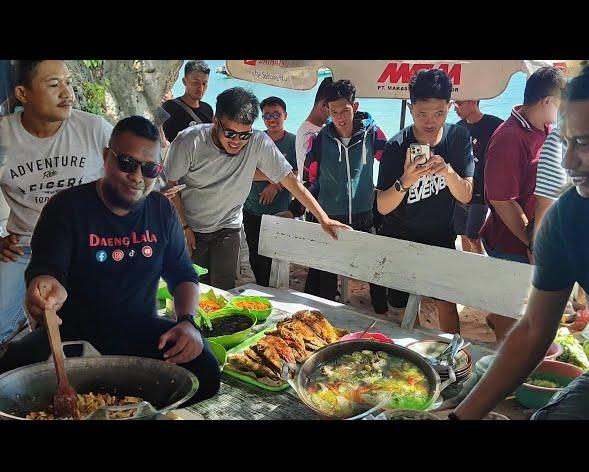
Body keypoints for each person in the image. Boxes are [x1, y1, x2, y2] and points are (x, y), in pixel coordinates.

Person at [452, 61, 589, 420]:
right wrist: (461, 417)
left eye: (583, 143)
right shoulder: (568, 219)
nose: (568, 162)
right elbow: (535, 330)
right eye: (565, 142)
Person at [0, 116, 221, 404]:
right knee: (7, 373)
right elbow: (46, 271)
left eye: (150, 168)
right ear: (107, 157)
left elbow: (183, 275)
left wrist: (188, 322)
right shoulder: (67, 207)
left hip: (138, 328)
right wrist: (45, 288)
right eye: (127, 163)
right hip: (71, 334)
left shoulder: (161, 211)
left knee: (205, 368)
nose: (137, 176)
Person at [164, 86, 349, 290]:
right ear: (216, 122)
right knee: (191, 288)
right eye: (230, 133)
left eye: (245, 135)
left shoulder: (258, 141)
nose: (237, 142)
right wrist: (184, 227)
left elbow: (290, 181)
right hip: (190, 226)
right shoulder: (190, 141)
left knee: (223, 289)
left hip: (228, 227)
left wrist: (323, 218)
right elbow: (168, 185)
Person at [0, 60, 112, 346]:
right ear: (23, 94)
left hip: (88, 248)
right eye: (53, 85)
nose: (68, 93)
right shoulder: (4, 136)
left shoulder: (94, 129)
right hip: (24, 249)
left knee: (96, 326)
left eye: (69, 82)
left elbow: (134, 177)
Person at [376, 69, 474, 333]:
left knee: (446, 302)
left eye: (439, 113)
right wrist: (405, 181)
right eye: (422, 114)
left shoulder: (458, 138)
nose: (430, 121)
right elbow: (383, 206)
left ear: (450, 107)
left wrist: (447, 171)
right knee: (404, 308)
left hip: (441, 236)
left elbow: (465, 194)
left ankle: (452, 358)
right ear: (410, 108)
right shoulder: (397, 147)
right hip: (401, 237)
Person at [480, 66, 566, 342]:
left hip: (532, 236)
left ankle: (496, 319)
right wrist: (531, 244)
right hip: (510, 241)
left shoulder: (545, 129)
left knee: (524, 304)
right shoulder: (509, 137)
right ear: (547, 102)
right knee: (511, 320)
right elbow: (501, 200)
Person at [302, 79, 388, 312]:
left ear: (356, 107)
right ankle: (326, 315)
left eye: (345, 111)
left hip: (365, 214)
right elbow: (311, 177)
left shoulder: (372, 133)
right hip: (332, 216)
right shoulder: (320, 139)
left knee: (372, 269)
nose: (340, 117)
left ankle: (381, 310)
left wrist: (385, 195)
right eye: (334, 112)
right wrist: (308, 209)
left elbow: (389, 162)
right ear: (327, 110)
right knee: (327, 275)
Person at [243, 96, 297, 286]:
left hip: (279, 211)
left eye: (277, 114)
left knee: (277, 259)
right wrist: (276, 176)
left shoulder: (293, 142)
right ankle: (260, 291)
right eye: (267, 116)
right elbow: (247, 172)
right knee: (254, 257)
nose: (272, 119)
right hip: (251, 208)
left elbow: (296, 173)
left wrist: (276, 185)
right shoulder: (255, 139)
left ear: (285, 115)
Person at [453, 100, 503, 254]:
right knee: (462, 234)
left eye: (459, 103)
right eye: (454, 103)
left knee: (473, 235)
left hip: (483, 189)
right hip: (461, 187)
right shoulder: (459, 127)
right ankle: (468, 269)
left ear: (473, 101)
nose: (455, 107)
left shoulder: (495, 125)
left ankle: (481, 267)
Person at [161, 60, 213, 143]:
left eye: (204, 83)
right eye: (196, 83)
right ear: (184, 81)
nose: (201, 88)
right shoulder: (170, 107)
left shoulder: (208, 109)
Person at [295, 76, 332, 181]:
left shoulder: (319, 128)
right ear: (323, 105)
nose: (337, 116)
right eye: (334, 109)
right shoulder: (310, 134)